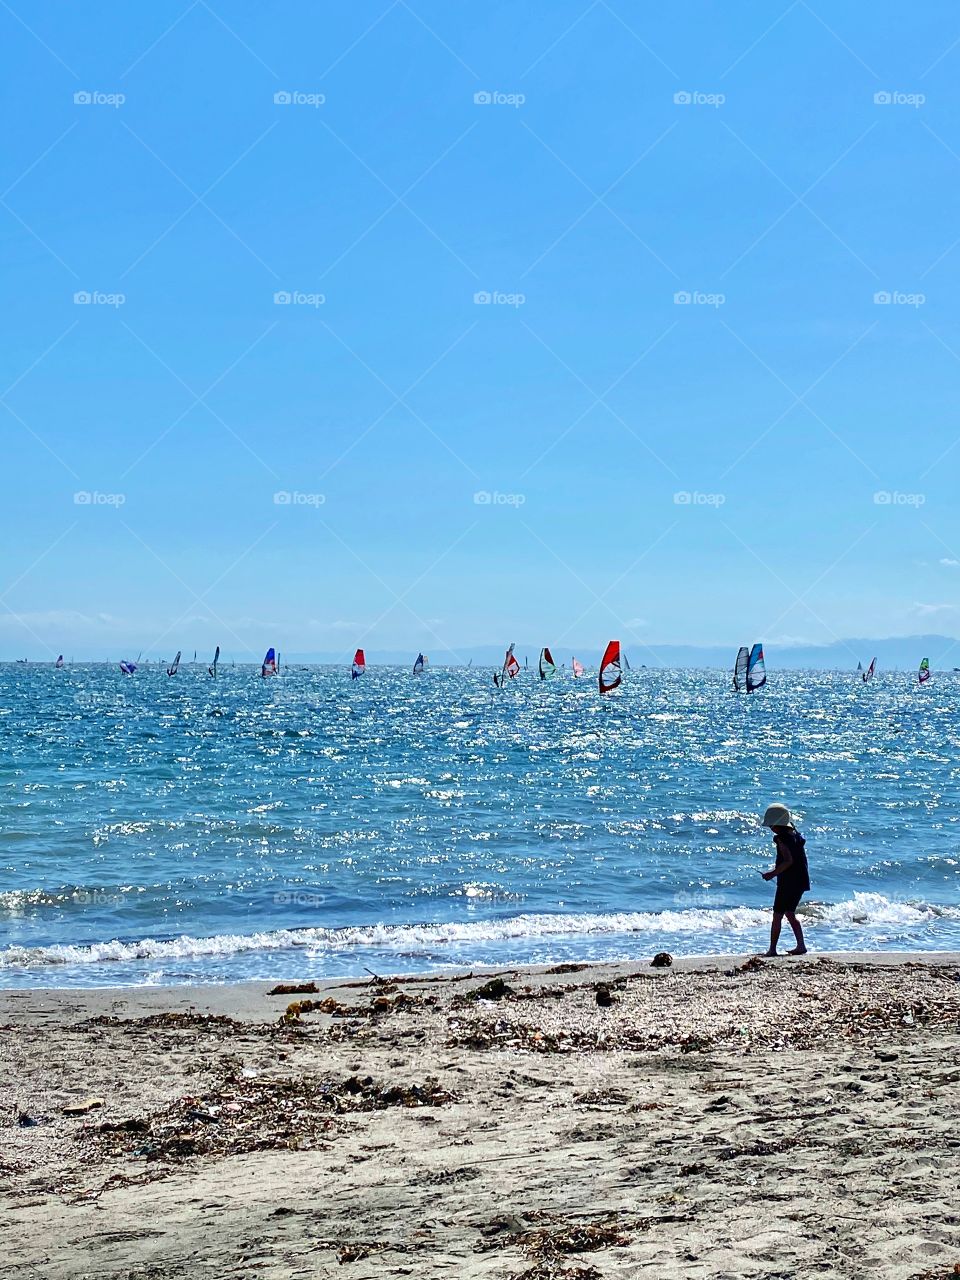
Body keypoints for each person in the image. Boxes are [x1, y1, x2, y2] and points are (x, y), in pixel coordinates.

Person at [760, 803, 809, 957]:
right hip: (801, 880)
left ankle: (772, 949)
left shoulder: (781, 839)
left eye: (771, 825)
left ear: (776, 825)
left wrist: (772, 873)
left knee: (777, 915)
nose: (770, 828)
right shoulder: (796, 836)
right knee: (790, 913)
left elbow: (788, 861)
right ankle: (801, 945)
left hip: (788, 882)